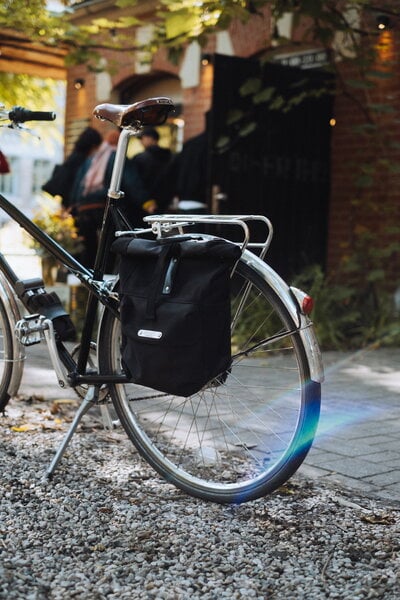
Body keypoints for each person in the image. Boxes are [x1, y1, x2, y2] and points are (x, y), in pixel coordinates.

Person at [71, 129, 148, 267]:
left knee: (89, 248)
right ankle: (104, 280)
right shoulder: (117, 157)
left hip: (84, 209)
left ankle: (86, 281)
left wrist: (75, 205)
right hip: (104, 207)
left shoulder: (92, 159)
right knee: (108, 248)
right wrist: (146, 202)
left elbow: (78, 183)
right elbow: (131, 181)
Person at [42, 127, 103, 210]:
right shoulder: (83, 161)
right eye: (97, 147)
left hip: (66, 201)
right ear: (93, 145)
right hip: (72, 203)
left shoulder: (74, 156)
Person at [130, 126, 174, 214]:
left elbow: (135, 182)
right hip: (166, 202)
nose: (141, 142)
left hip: (145, 203)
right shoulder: (170, 156)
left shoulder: (140, 158)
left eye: (142, 138)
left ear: (151, 138)